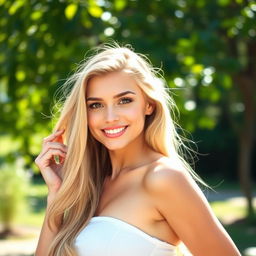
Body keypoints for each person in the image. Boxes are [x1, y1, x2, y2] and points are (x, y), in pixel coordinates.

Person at [34, 43, 241, 256]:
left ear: (148, 105)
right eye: (96, 105)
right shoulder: (91, 185)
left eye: (124, 100)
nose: (110, 117)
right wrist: (56, 196)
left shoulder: (164, 178)